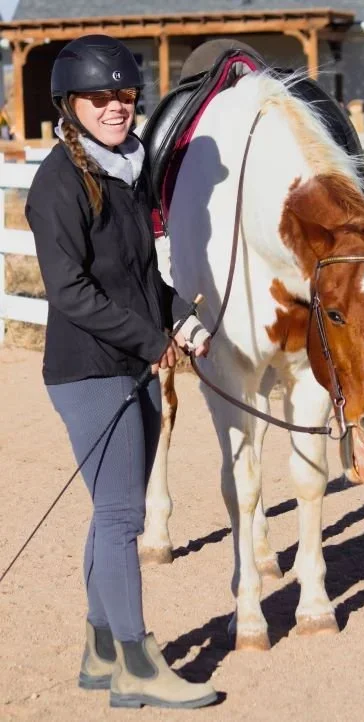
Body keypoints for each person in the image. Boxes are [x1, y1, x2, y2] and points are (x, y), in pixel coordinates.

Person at [25, 35, 217, 711]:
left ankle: (101, 650)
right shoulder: (58, 183)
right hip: (87, 371)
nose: (115, 107)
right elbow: (69, 291)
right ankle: (135, 662)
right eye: (100, 96)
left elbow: (141, 276)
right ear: (70, 103)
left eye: (126, 96)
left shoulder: (124, 172)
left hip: (130, 361)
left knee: (112, 511)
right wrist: (149, 337)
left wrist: (181, 320)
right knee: (120, 517)